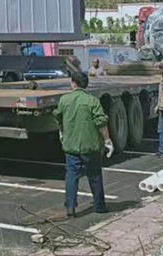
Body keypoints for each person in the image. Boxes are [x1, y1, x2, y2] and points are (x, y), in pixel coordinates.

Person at [53, 71, 114, 218]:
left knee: (71, 175)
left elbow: (58, 116)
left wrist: (62, 132)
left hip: (71, 145)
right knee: (94, 175)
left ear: (73, 83)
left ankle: (70, 207)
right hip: (90, 145)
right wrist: (107, 140)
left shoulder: (64, 99)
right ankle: (99, 206)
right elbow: (101, 122)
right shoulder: (92, 100)